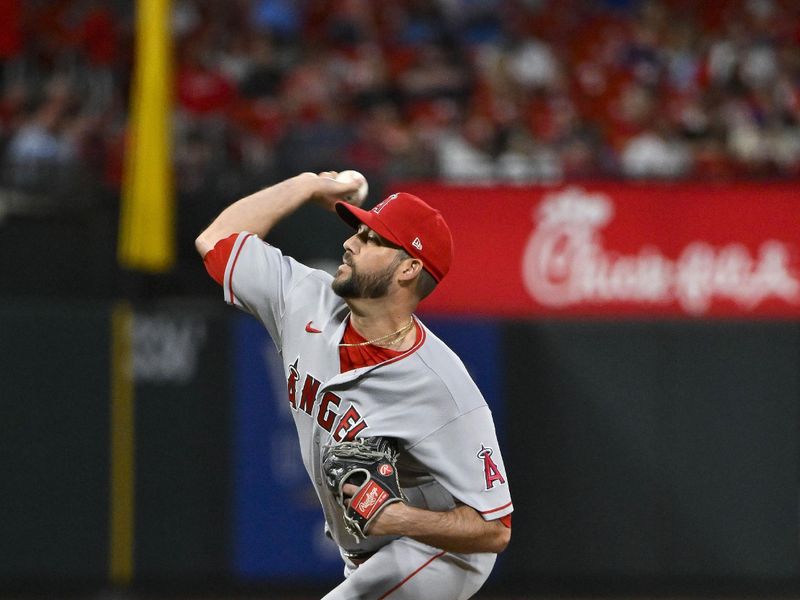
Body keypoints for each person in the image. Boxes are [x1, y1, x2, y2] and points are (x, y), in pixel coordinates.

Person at [195, 172, 513, 599]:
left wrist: (397, 518)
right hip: (368, 552)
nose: (350, 243)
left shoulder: (443, 388)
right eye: (357, 232)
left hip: (440, 552)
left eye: (372, 239)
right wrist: (307, 185)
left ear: (409, 268)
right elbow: (216, 239)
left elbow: (494, 531)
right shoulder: (305, 299)